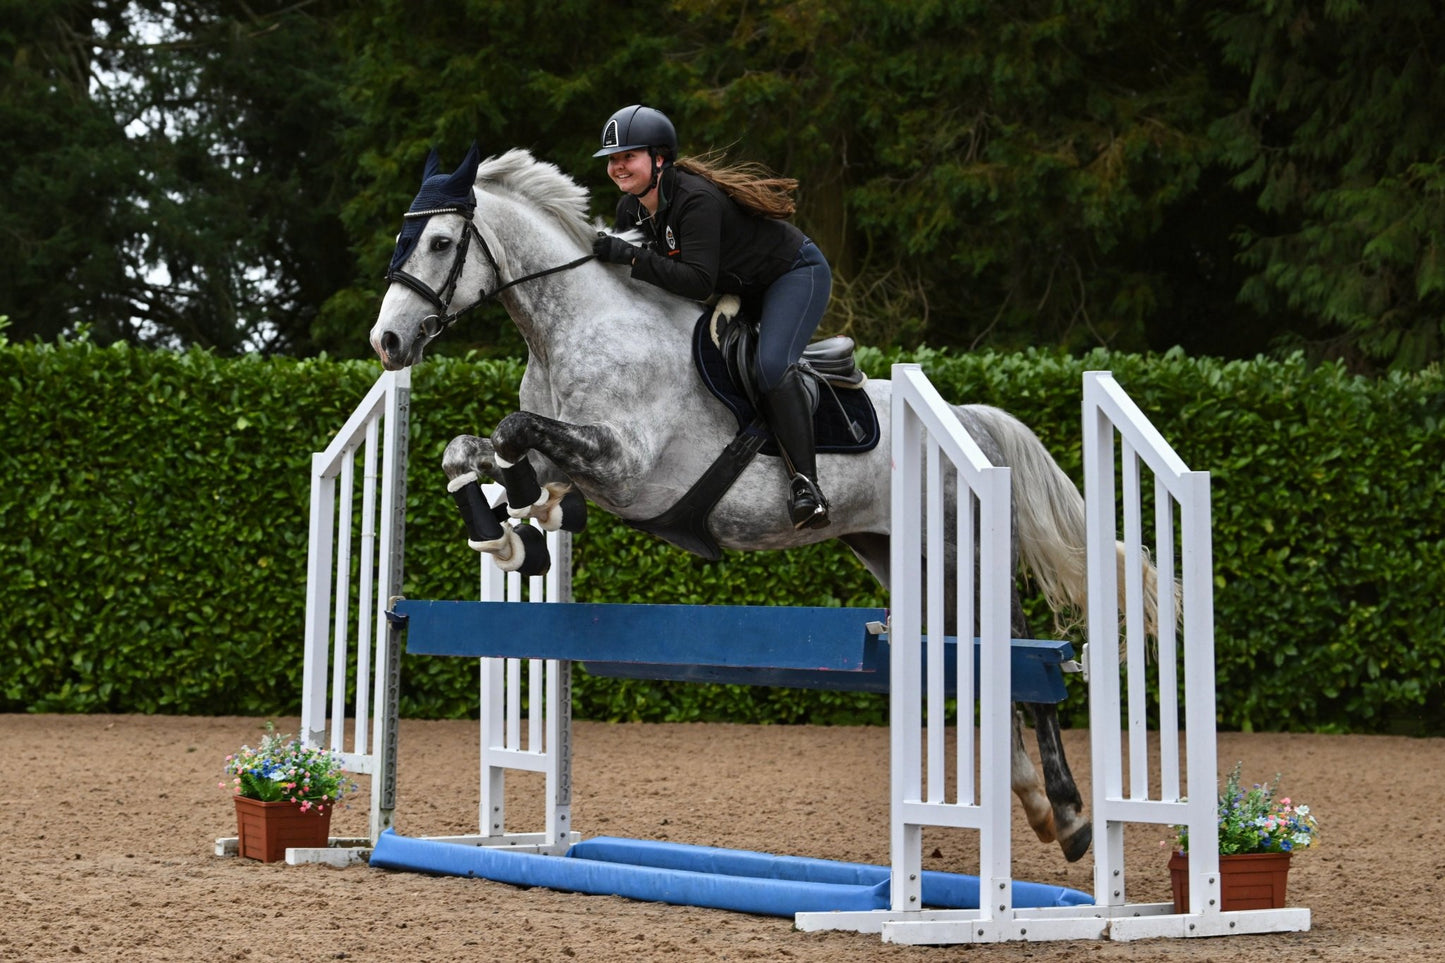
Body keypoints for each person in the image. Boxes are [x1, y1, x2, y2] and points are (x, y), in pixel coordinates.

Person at [590, 104, 833, 530]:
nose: (618, 166)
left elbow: (697, 282)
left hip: (792, 275)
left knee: (771, 365)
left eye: (628, 156)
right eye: (612, 159)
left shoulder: (695, 200)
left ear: (659, 158)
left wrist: (628, 254)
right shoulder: (631, 209)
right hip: (738, 288)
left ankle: (806, 487)